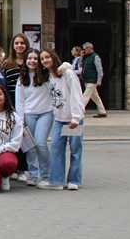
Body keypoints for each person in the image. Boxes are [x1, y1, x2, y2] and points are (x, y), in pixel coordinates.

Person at [41, 49, 85, 191]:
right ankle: (57, 180)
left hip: (72, 119)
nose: (45, 60)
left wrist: (76, 117)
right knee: (56, 148)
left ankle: (74, 180)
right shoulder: (50, 76)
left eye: (47, 57)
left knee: (75, 149)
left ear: (54, 57)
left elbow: (76, 94)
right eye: (42, 59)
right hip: (59, 119)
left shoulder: (68, 73)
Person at [16, 49, 58, 189]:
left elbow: (59, 79)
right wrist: (20, 121)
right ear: (25, 60)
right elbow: (20, 102)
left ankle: (45, 175)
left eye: (35, 58)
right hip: (29, 114)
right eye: (30, 58)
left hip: (46, 113)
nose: (32, 61)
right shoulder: (22, 78)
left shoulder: (47, 75)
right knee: (31, 147)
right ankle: (33, 175)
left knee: (40, 143)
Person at [2, 33, 29, 180]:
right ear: (13, 46)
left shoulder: (31, 61)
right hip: (11, 101)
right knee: (12, 136)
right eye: (17, 43)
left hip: (28, 102)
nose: (19, 46)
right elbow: (4, 85)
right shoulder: (7, 63)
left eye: (22, 43)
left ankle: (24, 168)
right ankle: (13, 167)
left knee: (25, 136)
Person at [81, 42, 107, 118]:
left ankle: (79, 111)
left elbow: (100, 70)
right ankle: (102, 112)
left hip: (92, 80)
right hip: (87, 80)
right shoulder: (86, 57)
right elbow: (80, 65)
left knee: (85, 96)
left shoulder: (95, 57)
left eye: (85, 49)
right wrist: (81, 57)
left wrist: (99, 81)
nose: (84, 50)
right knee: (95, 97)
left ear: (89, 48)